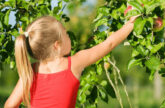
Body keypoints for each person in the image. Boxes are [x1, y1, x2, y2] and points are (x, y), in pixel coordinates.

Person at [4, 14, 140, 108]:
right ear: (57, 45)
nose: (69, 37)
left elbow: (9, 105)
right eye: (66, 34)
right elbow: (108, 44)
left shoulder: (30, 71)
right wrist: (131, 24)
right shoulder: (74, 63)